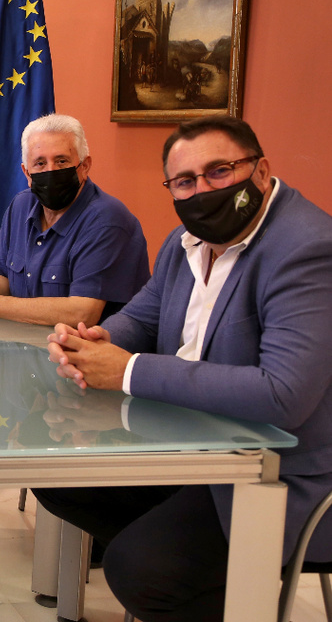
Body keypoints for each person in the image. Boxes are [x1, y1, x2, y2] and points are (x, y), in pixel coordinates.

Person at [36, 116, 332, 621]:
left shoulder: (306, 249)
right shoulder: (184, 242)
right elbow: (143, 316)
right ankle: (208, 581)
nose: (202, 191)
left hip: (277, 475)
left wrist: (128, 371)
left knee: (141, 571)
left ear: (260, 171)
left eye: (219, 172)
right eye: (184, 182)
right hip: (192, 446)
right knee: (58, 475)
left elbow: (284, 395)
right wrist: (96, 341)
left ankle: (233, 595)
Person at [0, 113, 149, 327]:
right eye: (40, 163)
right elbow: (3, 277)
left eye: (61, 161)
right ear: (27, 173)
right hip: (26, 348)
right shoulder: (21, 206)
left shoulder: (107, 220)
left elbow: (82, 313)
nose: (51, 171)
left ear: (84, 166)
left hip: (85, 354)